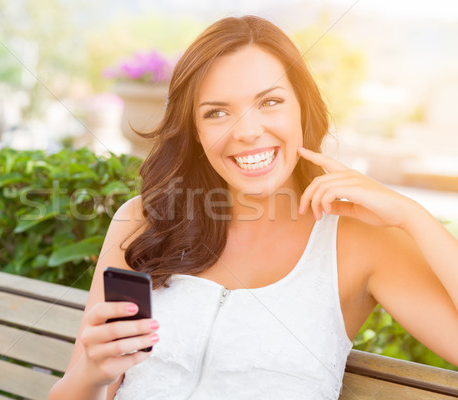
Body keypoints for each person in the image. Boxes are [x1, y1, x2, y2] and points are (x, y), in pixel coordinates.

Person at [48, 15, 458, 400]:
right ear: (195, 131)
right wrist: (92, 373)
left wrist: (411, 215)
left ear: (303, 107)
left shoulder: (360, 240)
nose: (246, 132)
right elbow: (76, 389)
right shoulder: (142, 222)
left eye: (270, 102)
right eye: (217, 112)